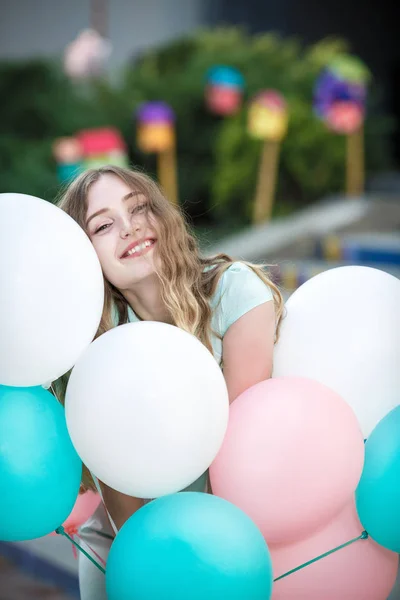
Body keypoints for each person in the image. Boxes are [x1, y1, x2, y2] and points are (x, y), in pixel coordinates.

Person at [57, 165, 284, 599]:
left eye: (139, 207)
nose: (130, 227)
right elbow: (124, 501)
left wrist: (207, 558)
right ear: (84, 256)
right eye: (103, 225)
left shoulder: (235, 294)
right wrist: (151, 564)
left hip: (233, 535)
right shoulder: (96, 350)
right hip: (129, 542)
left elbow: (236, 460)